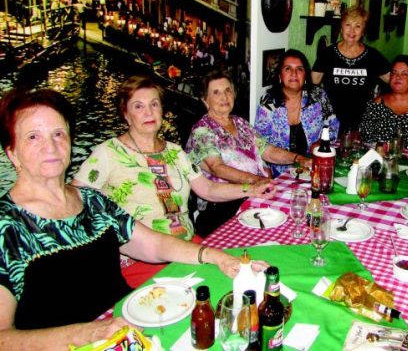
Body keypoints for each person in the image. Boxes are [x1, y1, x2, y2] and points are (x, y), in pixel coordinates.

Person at [0, 89, 266, 349]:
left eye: (58, 133)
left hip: (130, 329)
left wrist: (218, 256)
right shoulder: (6, 225)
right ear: (12, 152)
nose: (50, 145)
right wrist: (89, 332)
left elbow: (153, 244)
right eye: (33, 136)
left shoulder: (92, 202)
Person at [73, 75, 273, 287]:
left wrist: (251, 189)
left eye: (154, 104)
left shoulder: (175, 152)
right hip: (141, 261)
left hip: (189, 247)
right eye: (138, 106)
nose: (148, 112)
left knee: (245, 279)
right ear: (126, 114)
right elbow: (73, 201)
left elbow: (208, 189)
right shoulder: (108, 153)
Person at [185, 70, 311, 236]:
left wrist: (298, 158)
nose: (224, 97)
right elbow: (218, 168)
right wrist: (257, 180)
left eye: (227, 90)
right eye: (216, 93)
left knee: (299, 212)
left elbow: (267, 150)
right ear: (205, 100)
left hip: (254, 196)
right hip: (222, 207)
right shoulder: (202, 131)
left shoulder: (240, 123)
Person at [311, 6, 408, 131]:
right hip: (330, 120)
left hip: (363, 121)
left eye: (358, 26)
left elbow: (395, 80)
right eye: (348, 24)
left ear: (363, 30)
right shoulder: (327, 53)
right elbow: (314, 81)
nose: (352, 31)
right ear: (341, 27)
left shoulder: (372, 56)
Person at [255, 49, 339, 176]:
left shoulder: (317, 96)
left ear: (305, 75)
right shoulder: (269, 102)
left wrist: (320, 142)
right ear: (279, 75)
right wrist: (267, 173)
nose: (294, 73)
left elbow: (334, 126)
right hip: (279, 173)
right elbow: (260, 143)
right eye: (288, 68)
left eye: (299, 69)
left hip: (313, 167)